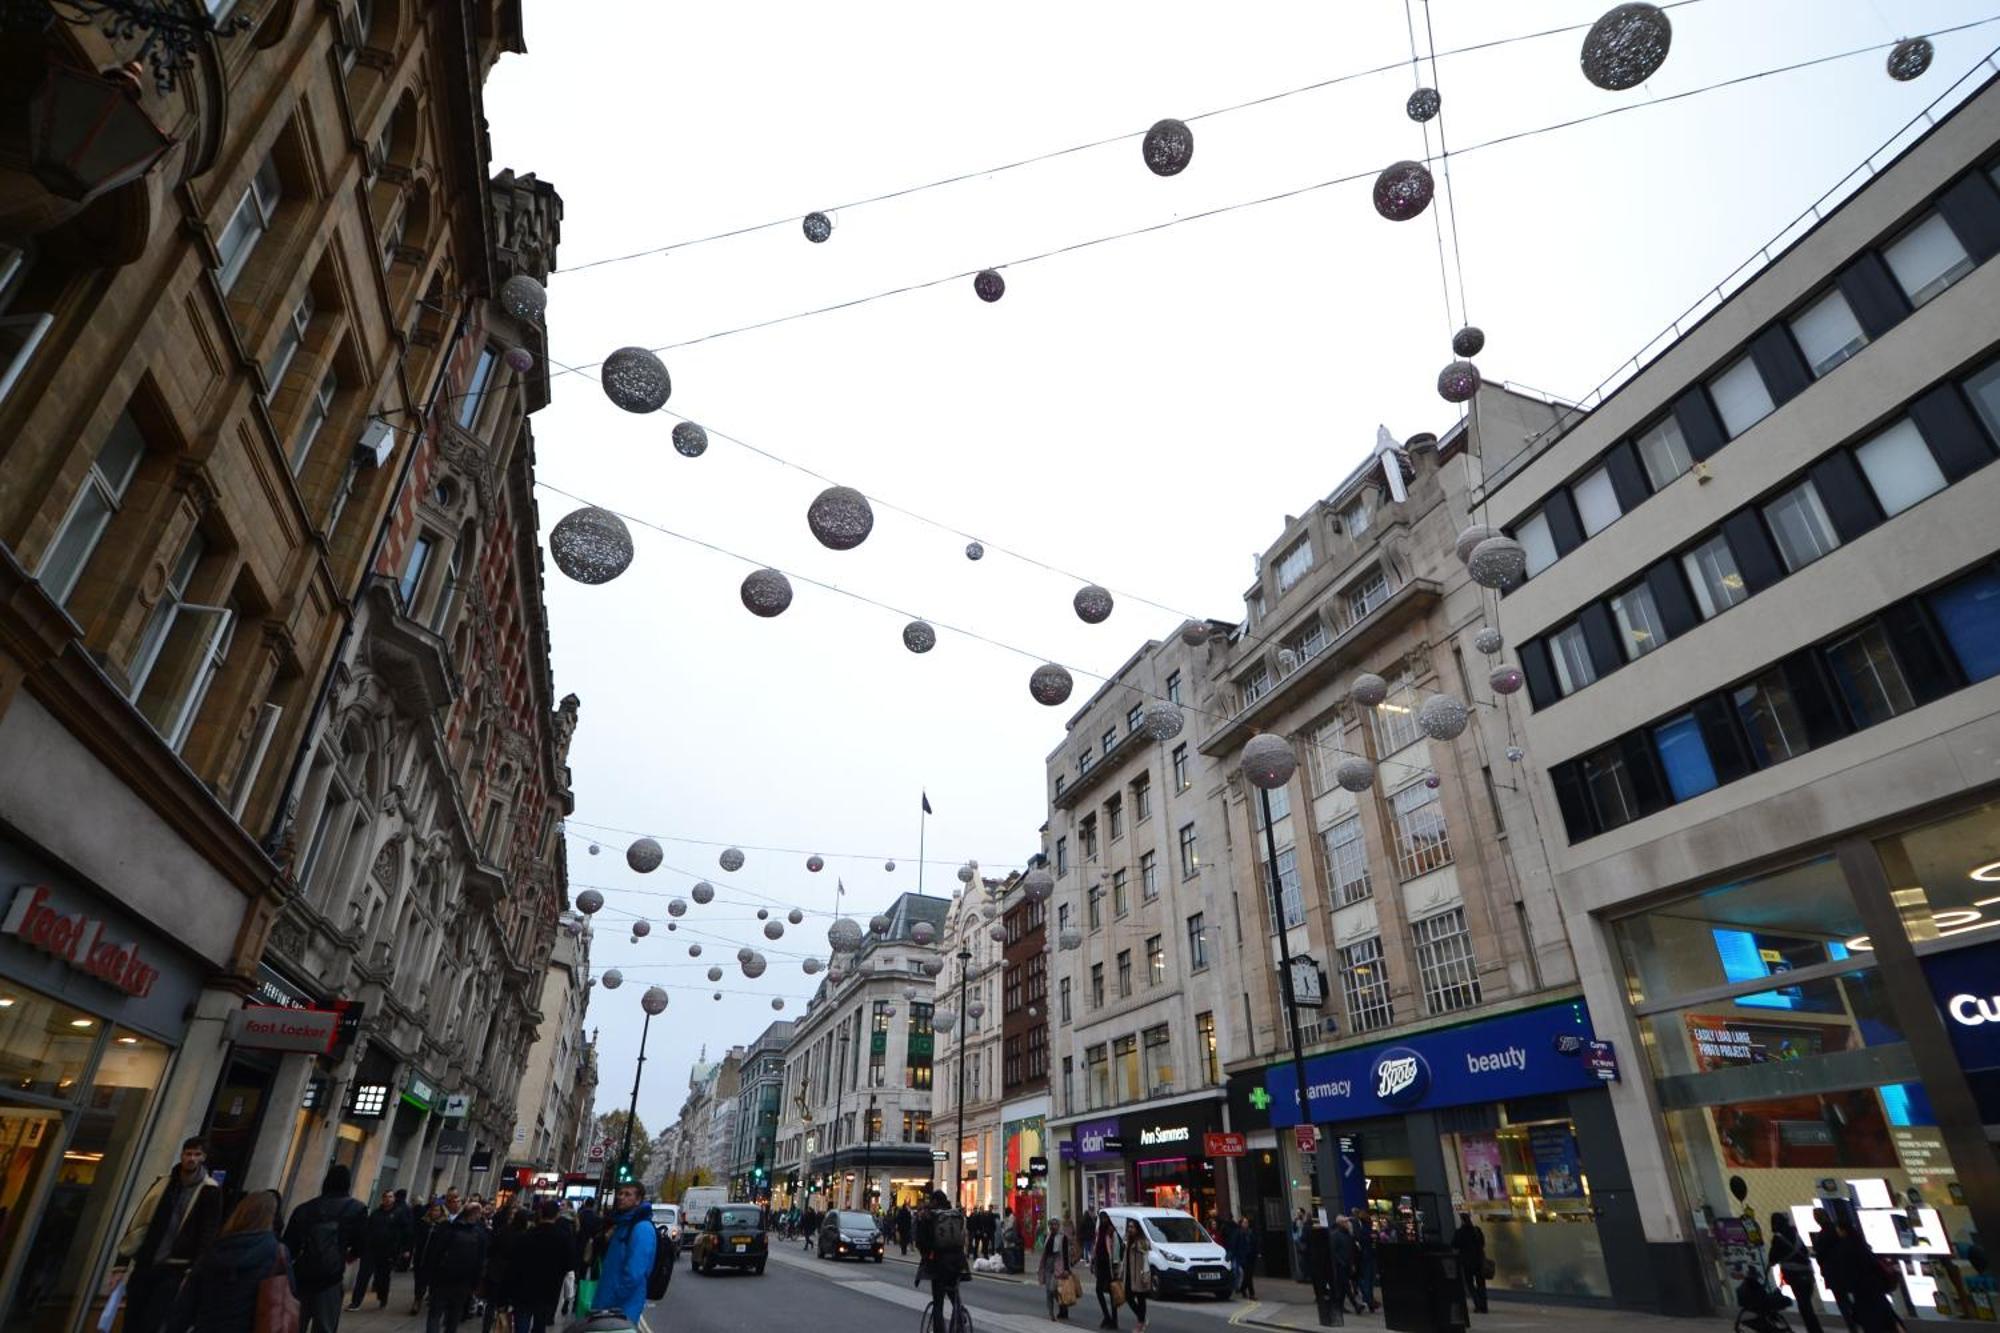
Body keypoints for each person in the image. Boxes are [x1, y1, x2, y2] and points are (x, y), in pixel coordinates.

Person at [117, 1136, 229, 1333]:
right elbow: (140, 1220)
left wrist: (194, 1270)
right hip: (147, 1262)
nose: (191, 1159)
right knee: (132, 1319)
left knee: (153, 1321)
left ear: (204, 1158)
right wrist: (121, 1264)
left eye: (197, 1154)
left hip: (175, 1268)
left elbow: (208, 1233)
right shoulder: (164, 1183)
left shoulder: (210, 1191)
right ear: (182, 1155)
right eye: (188, 1153)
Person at [162, 1191, 288, 1333]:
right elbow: (285, 1300)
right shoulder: (276, 1253)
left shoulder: (216, 1248)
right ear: (271, 1217)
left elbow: (185, 1305)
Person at [282, 1163, 369, 1333]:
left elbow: (288, 1246)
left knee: (294, 1325)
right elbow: (362, 1243)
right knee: (325, 1327)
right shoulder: (356, 1209)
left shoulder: (304, 1208)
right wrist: (348, 1255)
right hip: (331, 1277)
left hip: (301, 1276)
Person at [423, 1201, 490, 1333]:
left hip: (442, 1278)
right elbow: (480, 1262)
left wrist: (430, 1276)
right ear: (475, 1214)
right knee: (453, 1318)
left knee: (435, 1314)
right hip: (463, 1282)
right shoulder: (480, 1234)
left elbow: (435, 1253)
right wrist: (476, 1284)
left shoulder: (448, 1228)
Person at [595, 1182, 657, 1324]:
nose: (621, 1197)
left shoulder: (642, 1228)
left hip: (620, 1309)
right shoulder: (623, 1224)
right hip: (608, 1304)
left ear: (638, 1200)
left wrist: (612, 1301)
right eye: (620, 1193)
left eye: (628, 1194)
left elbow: (634, 1274)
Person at [511, 1201, 573, 1333]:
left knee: (522, 1323)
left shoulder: (526, 1236)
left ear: (540, 1213)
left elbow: (514, 1264)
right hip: (548, 1290)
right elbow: (569, 1265)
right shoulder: (563, 1238)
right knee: (540, 1324)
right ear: (557, 1215)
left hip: (523, 1288)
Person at [351, 1190, 409, 1311]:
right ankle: (355, 1302)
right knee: (363, 1276)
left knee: (383, 1277)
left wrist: (403, 1248)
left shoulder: (399, 1213)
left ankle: (383, 1298)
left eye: (390, 1197)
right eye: (386, 1197)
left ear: (394, 1199)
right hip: (371, 1249)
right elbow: (368, 1228)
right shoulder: (376, 1213)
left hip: (387, 1251)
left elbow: (405, 1232)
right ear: (382, 1199)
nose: (388, 1199)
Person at [1769, 1213, 1824, 1333]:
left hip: (1794, 1276)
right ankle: (1815, 1329)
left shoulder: (1778, 1238)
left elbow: (1772, 1258)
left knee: (1804, 1306)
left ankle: (1814, 1330)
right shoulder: (1794, 1233)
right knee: (1807, 1304)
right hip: (1807, 1272)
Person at [480, 1210, 528, 1333]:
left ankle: (486, 1329)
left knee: (491, 1304)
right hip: (512, 1274)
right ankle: (502, 1328)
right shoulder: (524, 1236)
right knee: (504, 1306)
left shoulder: (503, 1231)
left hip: (496, 1270)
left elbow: (491, 1249)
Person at [1040, 1216, 1078, 1322]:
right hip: (1048, 1265)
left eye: (1055, 1224)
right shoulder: (1047, 1237)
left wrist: (1066, 1268)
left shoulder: (1063, 1237)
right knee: (1049, 1290)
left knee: (1056, 1289)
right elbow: (1045, 1253)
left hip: (1059, 1265)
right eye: (1051, 1224)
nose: (1053, 1226)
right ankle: (1051, 1313)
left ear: (1058, 1225)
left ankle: (1063, 1307)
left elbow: (1066, 1254)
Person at [411, 1203, 446, 1315]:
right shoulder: (423, 1222)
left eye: (437, 1210)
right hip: (421, 1257)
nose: (434, 1212)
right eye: (433, 1210)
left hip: (435, 1259)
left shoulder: (444, 1225)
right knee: (419, 1280)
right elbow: (416, 1237)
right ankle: (417, 1299)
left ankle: (426, 1297)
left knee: (431, 1280)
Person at [1120, 1218, 1153, 1333]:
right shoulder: (1127, 1240)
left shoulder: (1141, 1241)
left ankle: (1140, 1323)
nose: (1130, 1229)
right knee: (1128, 1297)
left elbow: (1145, 1258)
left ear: (1138, 1229)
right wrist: (1122, 1271)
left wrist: (1145, 1274)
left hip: (1139, 1274)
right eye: (1129, 1227)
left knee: (1141, 1298)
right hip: (1129, 1274)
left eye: (1132, 1227)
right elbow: (1125, 1258)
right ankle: (1142, 1319)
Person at [1454, 1212, 1489, 1315]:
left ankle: (1477, 1304)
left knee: (1470, 1284)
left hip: (1467, 1262)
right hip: (1479, 1261)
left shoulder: (1460, 1232)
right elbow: (1482, 1243)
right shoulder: (1477, 1230)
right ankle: (1484, 1306)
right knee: (1481, 1284)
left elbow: (1454, 1244)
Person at [1091, 1212, 1119, 1331]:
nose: (1103, 1220)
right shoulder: (1100, 1231)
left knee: (1112, 1292)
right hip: (1100, 1263)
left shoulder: (1112, 1232)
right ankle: (1107, 1315)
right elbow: (1096, 1245)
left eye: (1105, 1218)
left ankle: (1114, 1319)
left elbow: (1116, 1249)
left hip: (1109, 1265)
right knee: (1099, 1290)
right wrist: (1093, 1261)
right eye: (1101, 1218)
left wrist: (1115, 1264)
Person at [1350, 1211, 1378, 1314]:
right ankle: (1369, 1300)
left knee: (1366, 1280)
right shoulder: (1365, 1229)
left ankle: (1369, 1300)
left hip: (1364, 1257)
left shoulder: (1360, 1228)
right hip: (1367, 1257)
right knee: (1367, 1280)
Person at [1231, 1215, 1259, 1299]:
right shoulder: (1238, 1233)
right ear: (1241, 1224)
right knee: (1247, 1275)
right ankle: (1251, 1293)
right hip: (1243, 1257)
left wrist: (1257, 1252)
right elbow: (1235, 1245)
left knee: (1249, 1275)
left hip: (1251, 1256)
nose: (1246, 1224)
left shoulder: (1251, 1232)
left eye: (1247, 1222)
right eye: (1244, 1222)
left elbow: (1255, 1243)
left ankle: (1243, 1289)